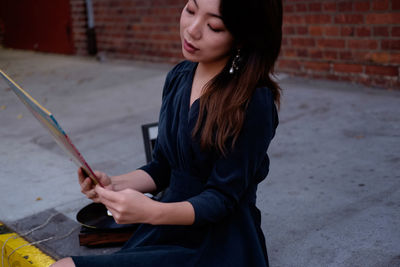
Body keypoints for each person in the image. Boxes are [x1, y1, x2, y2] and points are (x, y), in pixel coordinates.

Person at [52, 0, 282, 266]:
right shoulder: (179, 76)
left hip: (219, 242)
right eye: (191, 10)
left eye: (214, 26)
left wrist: (151, 211)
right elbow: (162, 166)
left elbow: (221, 199)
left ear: (243, 37)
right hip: (167, 225)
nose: (192, 30)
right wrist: (113, 184)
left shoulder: (253, 101)